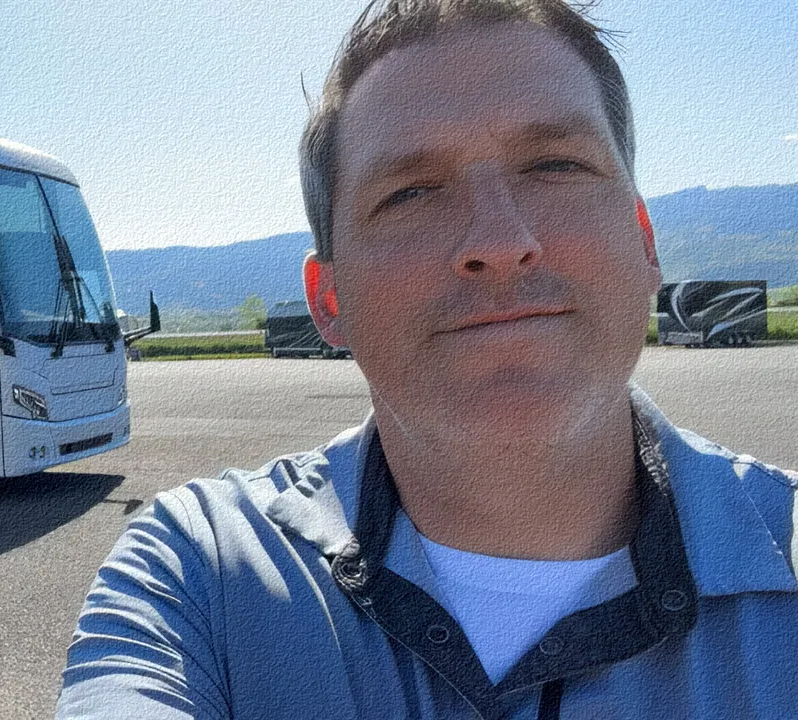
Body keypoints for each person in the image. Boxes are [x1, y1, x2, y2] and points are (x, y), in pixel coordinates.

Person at [56, 1, 798, 718]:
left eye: (555, 164)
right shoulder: (198, 574)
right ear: (329, 299)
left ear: (645, 244)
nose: (499, 242)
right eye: (410, 192)